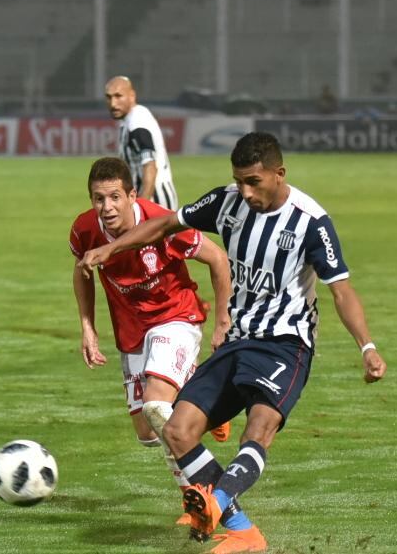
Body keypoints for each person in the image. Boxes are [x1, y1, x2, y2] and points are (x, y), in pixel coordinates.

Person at [78, 133, 387, 554]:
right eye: (239, 181)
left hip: (284, 345)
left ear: (279, 174)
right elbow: (166, 222)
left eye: (254, 182)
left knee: (258, 428)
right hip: (237, 342)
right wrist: (111, 248)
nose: (245, 191)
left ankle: (217, 502)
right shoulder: (228, 202)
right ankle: (243, 531)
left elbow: (341, 290)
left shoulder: (310, 222)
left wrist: (367, 347)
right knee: (175, 430)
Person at [70, 157, 233, 524]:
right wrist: (87, 325)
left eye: (114, 197)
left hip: (176, 317)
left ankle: (202, 499)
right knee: (147, 432)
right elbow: (82, 271)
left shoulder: (162, 221)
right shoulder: (84, 230)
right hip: (132, 331)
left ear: (131, 195)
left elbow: (218, 259)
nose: (107, 207)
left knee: (158, 408)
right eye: (98, 199)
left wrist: (223, 318)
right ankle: (207, 406)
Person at [105, 75, 178, 209]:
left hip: (155, 197)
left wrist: (143, 207)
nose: (113, 103)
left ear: (132, 96)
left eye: (118, 96)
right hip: (145, 194)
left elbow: (150, 165)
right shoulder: (130, 120)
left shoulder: (137, 124)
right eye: (109, 97)